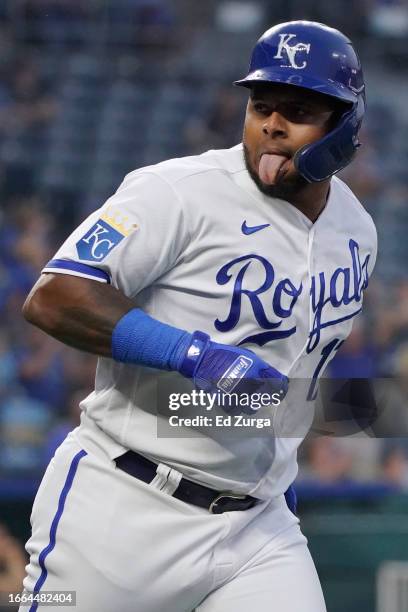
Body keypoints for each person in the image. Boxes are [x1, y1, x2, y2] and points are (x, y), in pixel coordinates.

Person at [19, 21, 377, 612]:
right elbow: (55, 296)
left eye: (298, 109)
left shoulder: (357, 231)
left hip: (258, 529)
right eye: (261, 104)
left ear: (346, 124)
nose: (272, 124)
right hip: (124, 505)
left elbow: (296, 384)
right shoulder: (176, 191)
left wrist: (273, 470)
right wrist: (192, 355)